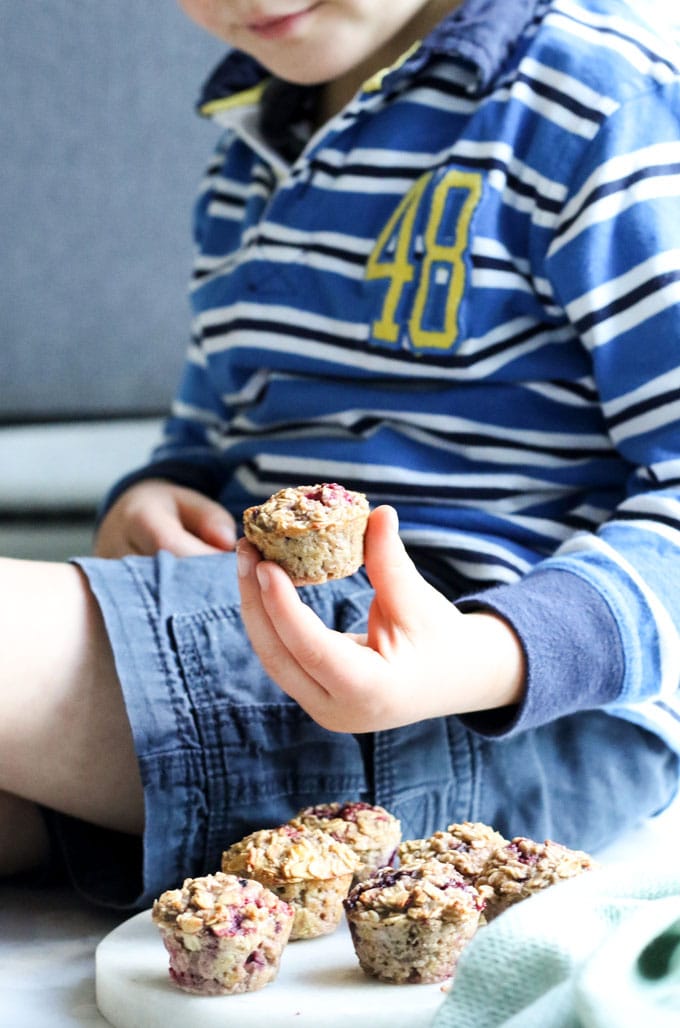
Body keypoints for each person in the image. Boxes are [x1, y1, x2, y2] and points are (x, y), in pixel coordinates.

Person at [2, 0, 680, 909]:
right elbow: (218, 414)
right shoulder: (254, 130)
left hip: (502, 704)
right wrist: (164, 486)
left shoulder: (599, 100)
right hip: (272, 629)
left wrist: (483, 655)